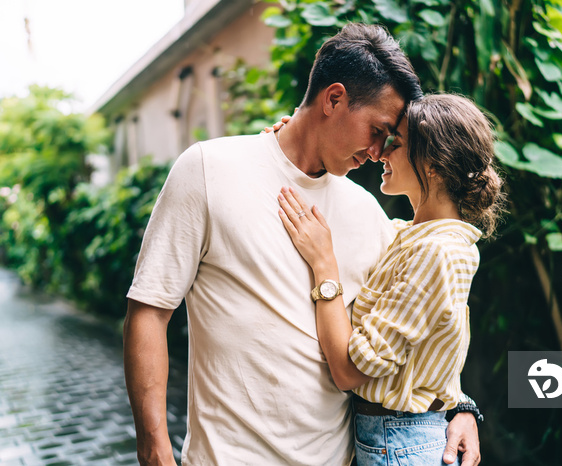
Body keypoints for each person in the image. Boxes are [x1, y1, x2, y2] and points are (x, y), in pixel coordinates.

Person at [122, 23, 482, 466]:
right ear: (334, 99)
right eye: (376, 129)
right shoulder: (208, 170)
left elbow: (423, 318)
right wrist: (155, 450)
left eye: (389, 139)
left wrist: (458, 406)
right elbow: (149, 311)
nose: (378, 151)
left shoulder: (367, 211)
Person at [277, 93, 503, 465]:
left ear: (432, 166)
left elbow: (350, 371)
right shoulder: (411, 237)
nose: (380, 152)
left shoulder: (437, 253)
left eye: (394, 142)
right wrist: (293, 142)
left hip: (400, 444)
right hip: (395, 437)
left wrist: (324, 266)